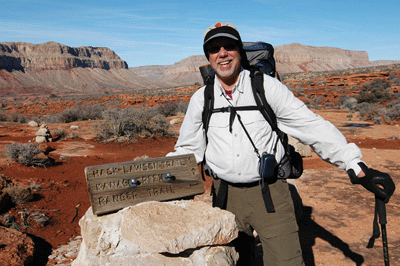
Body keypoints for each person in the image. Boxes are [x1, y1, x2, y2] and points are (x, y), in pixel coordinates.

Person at [167, 22, 395, 266]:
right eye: (214, 49)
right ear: (208, 57)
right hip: (225, 197)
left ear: (239, 51)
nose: (222, 53)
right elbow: (188, 149)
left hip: (270, 194)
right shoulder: (202, 98)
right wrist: (161, 178)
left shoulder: (266, 87)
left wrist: (355, 165)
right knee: (233, 261)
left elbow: (311, 126)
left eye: (229, 46)